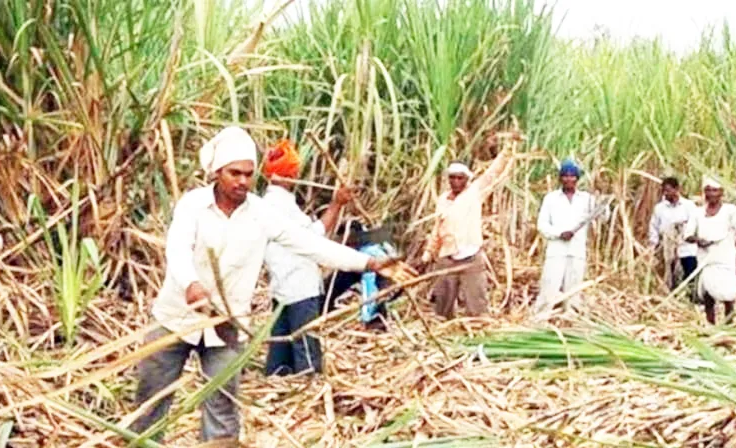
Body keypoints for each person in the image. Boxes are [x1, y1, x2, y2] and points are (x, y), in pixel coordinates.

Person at [130, 126, 391, 444]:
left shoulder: (261, 214)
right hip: (175, 319)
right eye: (234, 173)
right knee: (150, 403)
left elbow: (311, 244)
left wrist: (366, 262)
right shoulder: (192, 205)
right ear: (217, 172)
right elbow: (178, 249)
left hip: (226, 326)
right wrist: (191, 285)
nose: (241, 181)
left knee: (223, 409)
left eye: (248, 174)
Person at [261, 139, 354, 376]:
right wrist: (336, 204)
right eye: (293, 172)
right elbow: (314, 239)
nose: (296, 176)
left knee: (280, 345)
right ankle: (308, 387)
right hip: (299, 287)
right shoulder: (280, 205)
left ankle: (277, 380)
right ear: (288, 175)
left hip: (281, 287)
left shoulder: (269, 203)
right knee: (305, 346)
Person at [419, 149, 514, 319]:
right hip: (448, 258)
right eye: (452, 177)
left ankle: (479, 332)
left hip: (471, 258)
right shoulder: (443, 200)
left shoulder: (474, 194)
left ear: (466, 179)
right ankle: (446, 331)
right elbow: (438, 228)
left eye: (460, 178)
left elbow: (492, 173)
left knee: (477, 302)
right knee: (442, 304)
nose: (456, 181)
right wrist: (429, 252)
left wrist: (507, 151)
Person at [533, 159, 609, 314]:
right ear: (560, 178)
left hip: (577, 251)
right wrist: (559, 234)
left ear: (577, 178)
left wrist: (602, 199)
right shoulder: (551, 199)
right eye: (565, 176)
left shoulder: (587, 199)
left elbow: (603, 217)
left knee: (574, 290)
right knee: (549, 285)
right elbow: (542, 225)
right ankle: (540, 319)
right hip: (556, 251)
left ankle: (572, 320)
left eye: (572, 176)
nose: (569, 179)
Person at [685, 175, 736, 325]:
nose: (711, 194)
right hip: (706, 260)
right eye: (708, 190)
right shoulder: (697, 213)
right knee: (708, 295)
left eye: (715, 190)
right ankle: (711, 325)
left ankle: (729, 325)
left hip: (725, 259)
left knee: (728, 294)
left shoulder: (731, 211)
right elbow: (688, 235)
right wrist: (699, 240)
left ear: (722, 193)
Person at [648, 177, 699, 292]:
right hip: (667, 250)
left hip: (687, 249)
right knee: (670, 277)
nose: (665, 194)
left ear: (677, 189)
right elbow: (654, 226)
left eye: (668, 190)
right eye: (664, 191)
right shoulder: (659, 208)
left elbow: (695, 224)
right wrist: (653, 244)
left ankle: (692, 299)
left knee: (690, 275)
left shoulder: (689, 206)